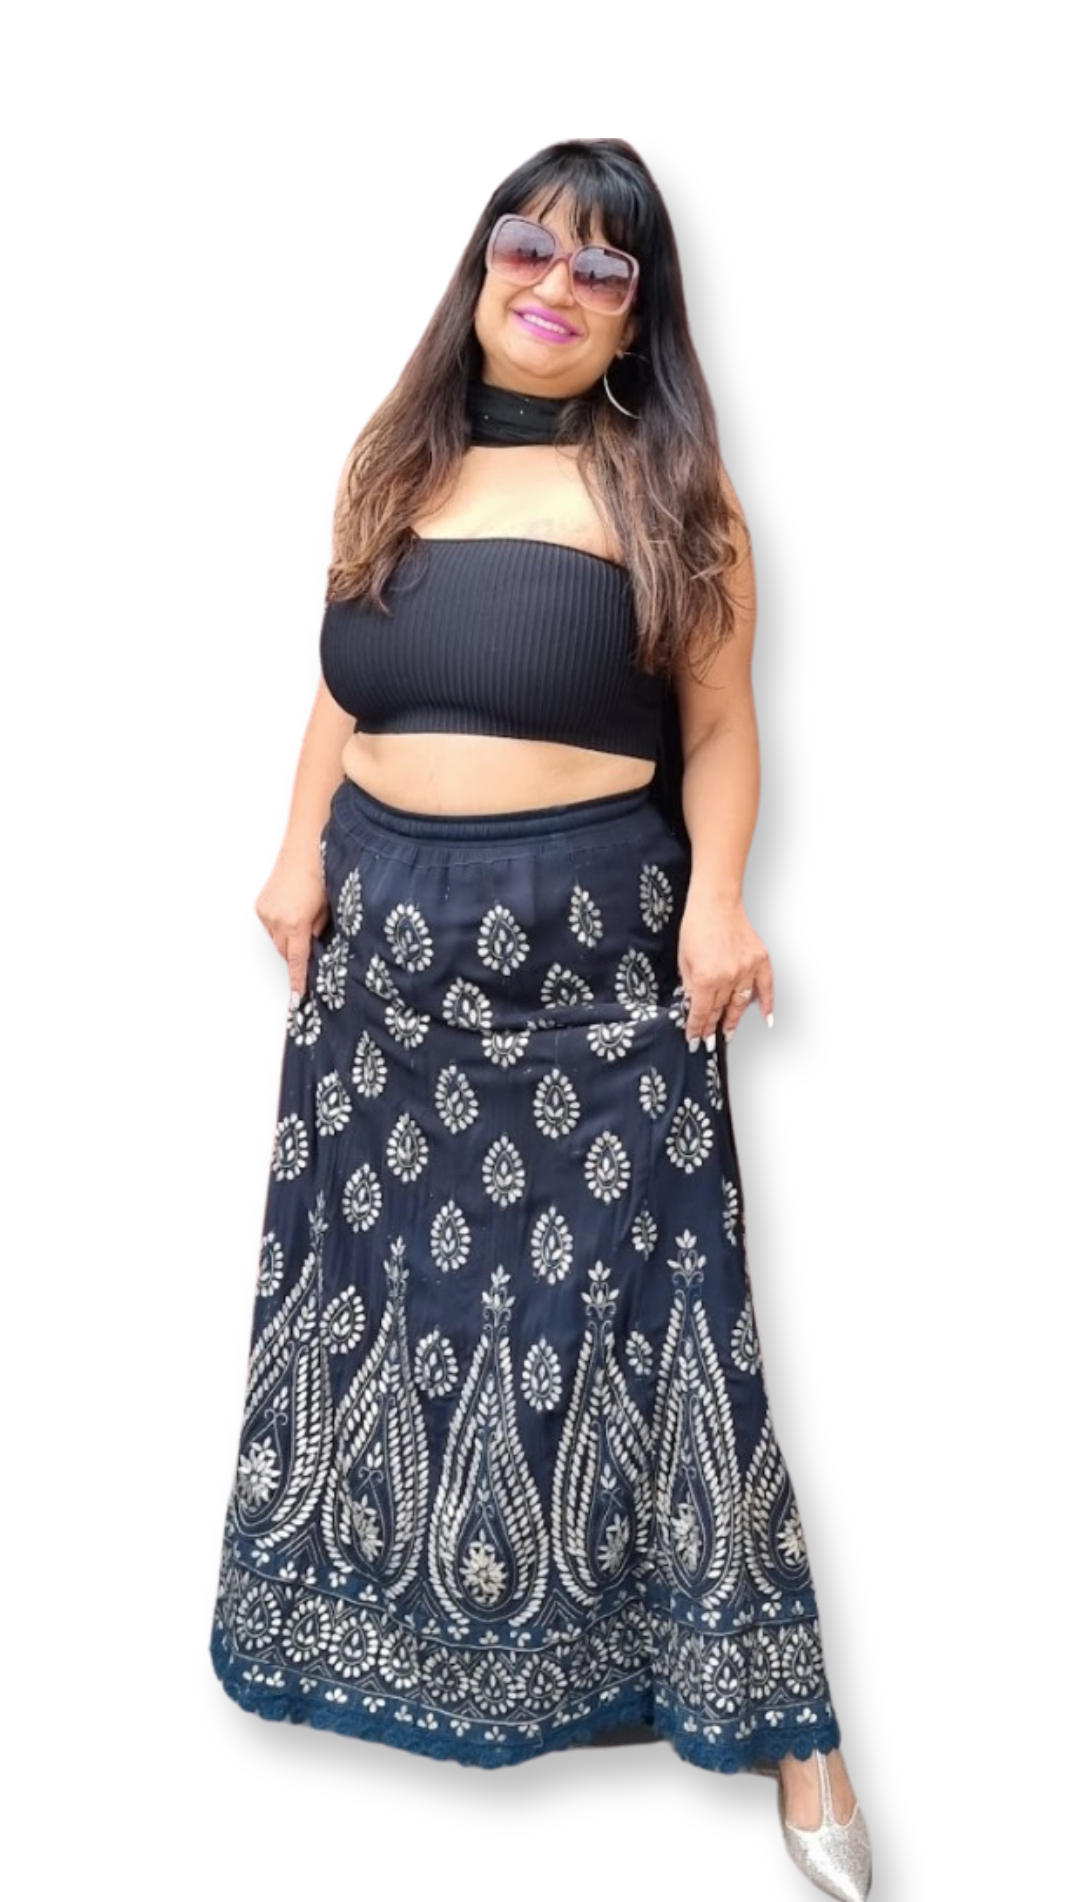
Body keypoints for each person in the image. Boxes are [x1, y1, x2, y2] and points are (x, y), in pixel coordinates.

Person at [208, 138, 872, 1902]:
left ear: (638, 313)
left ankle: (792, 1729)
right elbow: (342, 689)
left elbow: (717, 726)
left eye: (602, 266)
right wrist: (294, 853)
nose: (557, 285)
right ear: (481, 265)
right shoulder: (393, 460)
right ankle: (423, 1642)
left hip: (589, 969)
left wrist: (720, 899)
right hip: (383, 966)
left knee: (666, 1328)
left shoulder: (676, 496)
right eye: (530, 246)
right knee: (389, 1318)